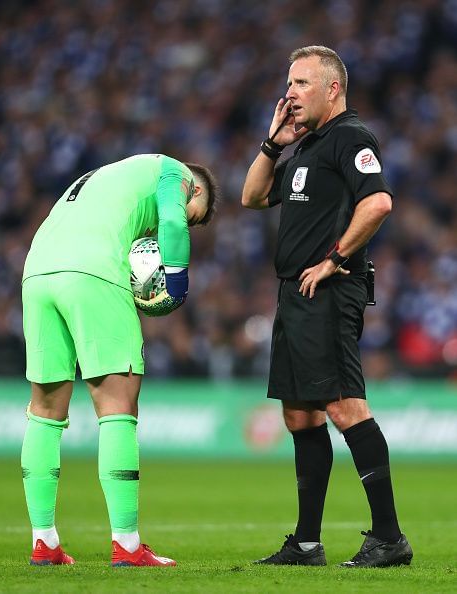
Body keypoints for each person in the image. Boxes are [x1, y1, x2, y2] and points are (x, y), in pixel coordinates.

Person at [241, 45, 412, 568]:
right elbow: (251, 196)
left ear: (332, 88)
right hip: (294, 292)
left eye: (301, 83)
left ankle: (388, 537)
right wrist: (273, 143)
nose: (289, 92)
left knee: (342, 405)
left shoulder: (350, 139)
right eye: (288, 82)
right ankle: (307, 543)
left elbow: (378, 201)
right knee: (299, 414)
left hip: (329, 291)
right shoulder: (306, 146)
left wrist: (336, 259)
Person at [21, 154, 217, 566]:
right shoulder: (174, 173)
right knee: (117, 406)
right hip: (92, 271)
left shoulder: (105, 175)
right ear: (195, 190)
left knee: (44, 410)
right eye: (198, 216)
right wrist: (177, 281)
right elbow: (174, 222)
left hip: (37, 273)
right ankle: (127, 545)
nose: (190, 221)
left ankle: (44, 542)